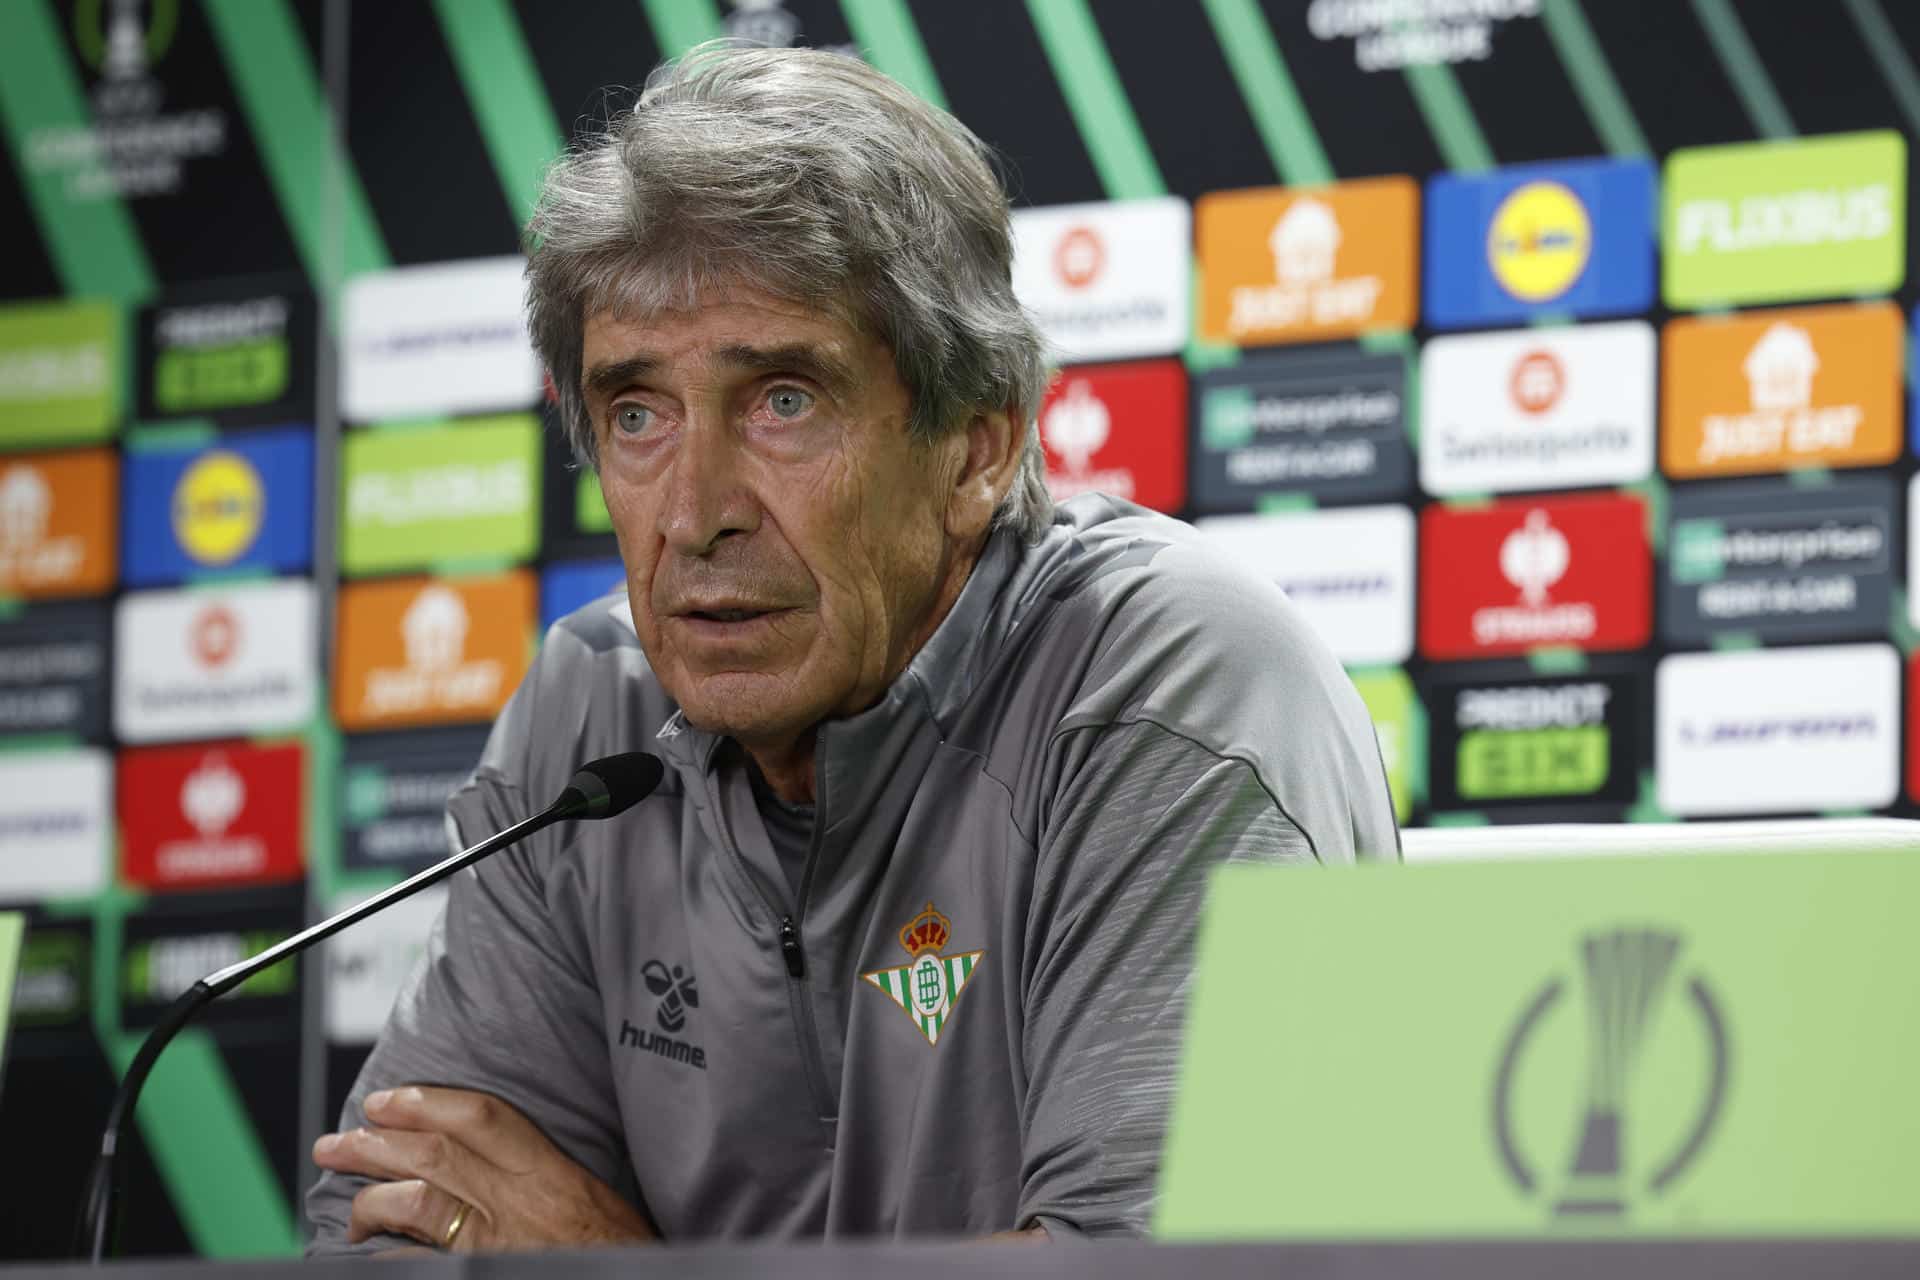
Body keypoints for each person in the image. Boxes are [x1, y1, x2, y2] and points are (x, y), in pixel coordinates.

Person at [306, 41, 1399, 1254]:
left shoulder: (1167, 686)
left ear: (976, 448)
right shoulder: (592, 710)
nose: (692, 510)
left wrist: (616, 1269)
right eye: (637, 413)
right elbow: (388, 1216)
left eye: (784, 400)